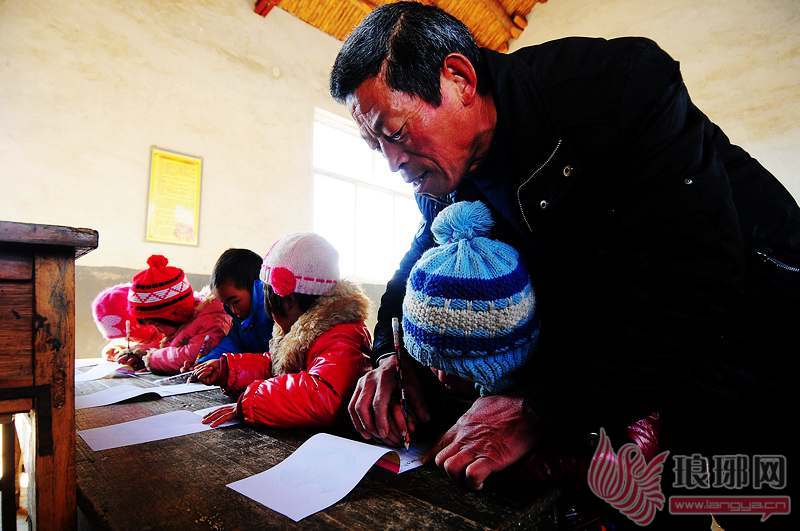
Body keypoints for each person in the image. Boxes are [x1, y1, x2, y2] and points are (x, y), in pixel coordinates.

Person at [330, 1, 799, 517]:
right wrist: (391, 356)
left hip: (759, 331)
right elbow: (415, 268)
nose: (392, 163)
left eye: (395, 133)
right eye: (376, 146)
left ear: (458, 79)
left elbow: (696, 276)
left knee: (754, 498)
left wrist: (541, 407)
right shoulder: (446, 174)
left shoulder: (615, 88)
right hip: (633, 378)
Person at [193, 233, 372, 429]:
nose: (272, 317)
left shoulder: (342, 336)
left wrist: (251, 402)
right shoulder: (302, 331)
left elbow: (320, 396)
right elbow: (276, 366)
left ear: (288, 301)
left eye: (271, 305)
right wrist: (229, 369)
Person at [115, 255, 231, 374]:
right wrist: (140, 353)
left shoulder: (211, 320)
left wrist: (151, 358)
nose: (158, 330)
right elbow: (167, 344)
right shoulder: (182, 322)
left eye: (156, 324)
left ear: (174, 314)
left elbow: (188, 357)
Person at [196, 248, 274, 364]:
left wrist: (230, 365)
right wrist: (203, 364)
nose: (233, 310)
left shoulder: (275, 313)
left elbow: (276, 360)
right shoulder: (240, 321)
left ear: (254, 289)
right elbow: (232, 344)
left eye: (235, 301)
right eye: (226, 304)